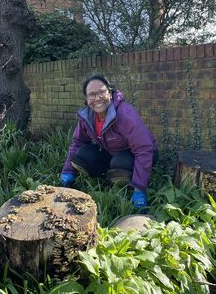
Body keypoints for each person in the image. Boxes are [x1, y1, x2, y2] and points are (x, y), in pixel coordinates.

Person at [60, 74, 158, 209]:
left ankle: (130, 182)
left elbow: (144, 148)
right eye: (92, 95)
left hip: (140, 153)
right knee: (83, 154)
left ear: (110, 93)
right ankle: (111, 176)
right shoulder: (87, 116)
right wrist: (67, 170)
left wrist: (139, 188)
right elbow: (78, 142)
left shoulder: (125, 114)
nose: (97, 98)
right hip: (112, 152)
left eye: (102, 92)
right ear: (87, 99)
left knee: (119, 162)